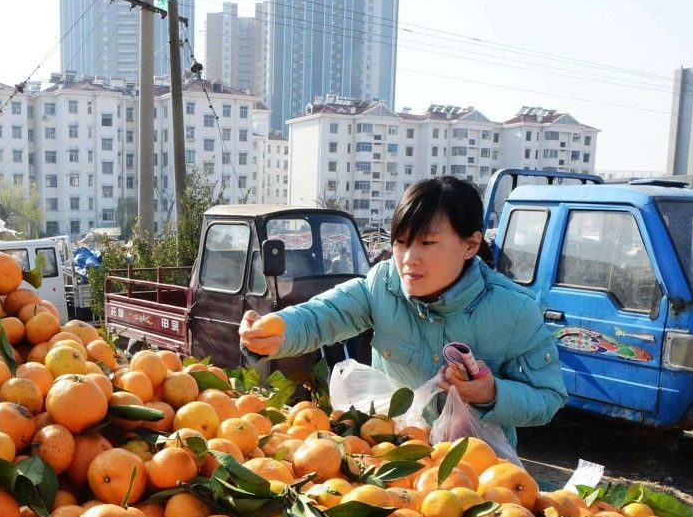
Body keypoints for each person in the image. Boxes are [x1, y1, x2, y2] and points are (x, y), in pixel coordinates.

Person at [239, 176, 567, 448]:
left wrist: (492, 393)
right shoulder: (383, 284)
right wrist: (279, 329)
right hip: (393, 456)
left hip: (475, 472)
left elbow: (548, 397)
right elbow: (325, 314)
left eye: (427, 243)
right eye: (401, 242)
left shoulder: (514, 310)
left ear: (470, 245)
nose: (409, 257)